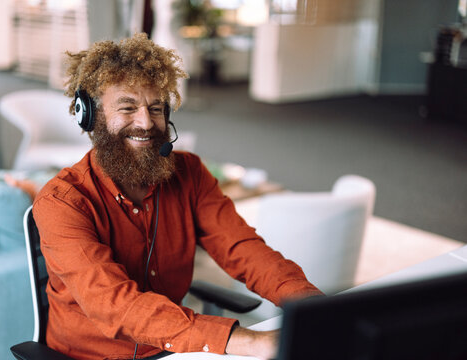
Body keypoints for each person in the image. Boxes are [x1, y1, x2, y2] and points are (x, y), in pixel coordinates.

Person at [33, 33, 322, 360]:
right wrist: (253, 342)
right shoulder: (62, 202)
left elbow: (243, 249)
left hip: (176, 348)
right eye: (127, 107)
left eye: (155, 108)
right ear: (91, 116)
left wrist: (313, 307)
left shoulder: (189, 173)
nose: (145, 123)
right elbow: (114, 304)